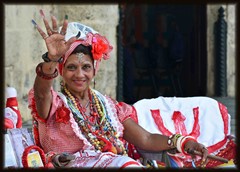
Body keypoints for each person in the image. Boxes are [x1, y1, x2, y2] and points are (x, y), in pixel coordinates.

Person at [28, 11, 233, 169]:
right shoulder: (54, 104)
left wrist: (185, 142)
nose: (79, 74)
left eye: (86, 67)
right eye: (71, 67)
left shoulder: (108, 107)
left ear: (94, 70)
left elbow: (146, 139)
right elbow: (41, 92)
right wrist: (52, 60)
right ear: (62, 70)